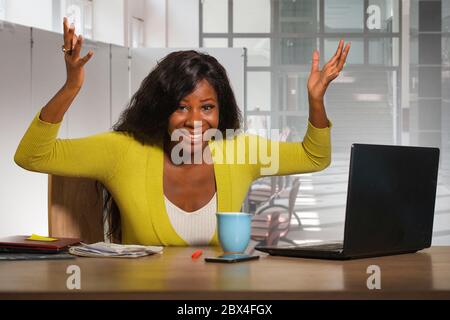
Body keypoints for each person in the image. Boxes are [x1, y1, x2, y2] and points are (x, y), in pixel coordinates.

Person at [14, 18, 350, 246]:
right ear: (160, 108)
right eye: (180, 106)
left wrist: (315, 100)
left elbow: (314, 157)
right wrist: (72, 86)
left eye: (207, 107)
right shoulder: (123, 151)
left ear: (221, 111)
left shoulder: (237, 151)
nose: (195, 121)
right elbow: (32, 155)